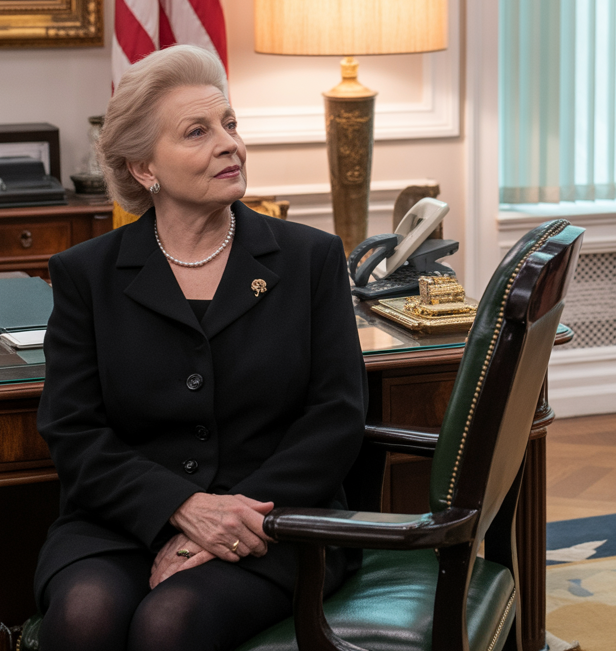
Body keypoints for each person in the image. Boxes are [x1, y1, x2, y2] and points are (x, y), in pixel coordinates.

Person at [34, 45, 368, 651]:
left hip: (275, 520)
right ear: (144, 168)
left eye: (230, 124)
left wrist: (233, 517)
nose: (229, 144)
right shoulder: (86, 274)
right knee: (85, 616)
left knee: (170, 621)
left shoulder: (310, 258)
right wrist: (182, 507)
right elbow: (74, 431)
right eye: (198, 132)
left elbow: (336, 417)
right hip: (122, 522)